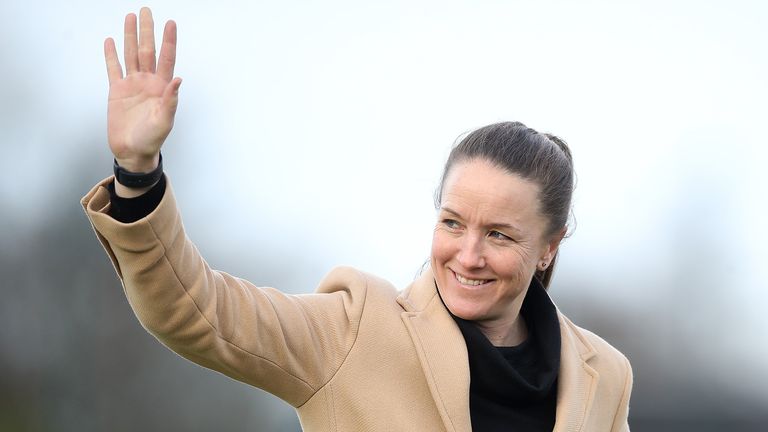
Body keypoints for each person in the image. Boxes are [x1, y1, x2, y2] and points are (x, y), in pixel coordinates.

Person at [82, 7, 633, 432]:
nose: (468, 255)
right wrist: (137, 172)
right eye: (452, 223)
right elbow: (195, 310)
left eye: (499, 234)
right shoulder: (356, 331)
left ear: (550, 246)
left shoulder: (602, 377)